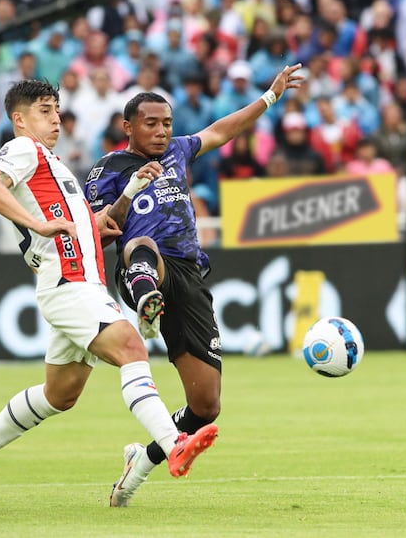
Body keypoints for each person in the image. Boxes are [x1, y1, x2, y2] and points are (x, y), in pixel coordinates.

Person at [0, 80, 218, 508]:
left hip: (78, 281)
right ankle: (173, 444)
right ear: (20, 119)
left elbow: (79, 229)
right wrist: (37, 226)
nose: (55, 118)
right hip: (68, 283)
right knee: (132, 347)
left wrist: (124, 197)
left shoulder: (52, 167)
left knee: (61, 394)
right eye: (43, 111)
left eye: (56, 109)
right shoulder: (24, 150)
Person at [84, 63, 304, 507]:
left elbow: (223, 130)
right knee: (144, 246)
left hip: (190, 275)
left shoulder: (179, 153)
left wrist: (269, 97)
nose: (162, 131)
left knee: (206, 408)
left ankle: (140, 462)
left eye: (167, 123)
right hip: (142, 264)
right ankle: (147, 303)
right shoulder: (107, 169)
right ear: (127, 127)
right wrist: (127, 194)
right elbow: (96, 230)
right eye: (151, 124)